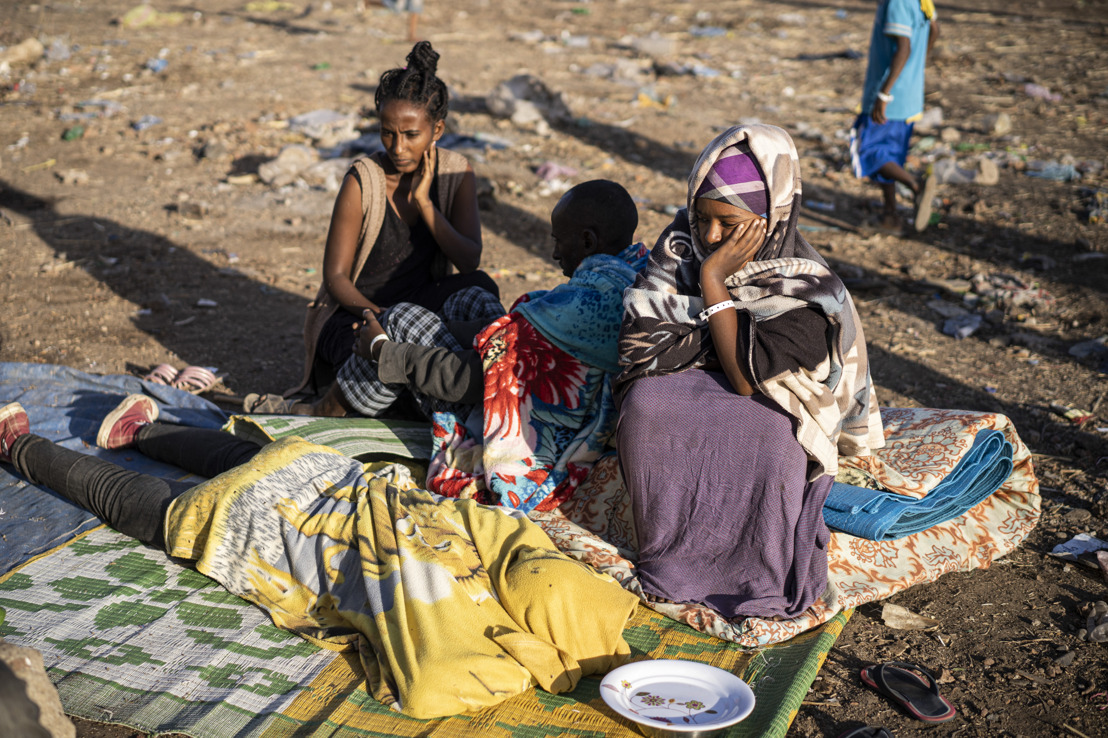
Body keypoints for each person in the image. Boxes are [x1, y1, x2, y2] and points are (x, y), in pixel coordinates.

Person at [0, 395, 639, 718]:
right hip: (265, 527)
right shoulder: (465, 649)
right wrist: (528, 666)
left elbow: (545, 570)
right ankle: (18, 446)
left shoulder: (510, 546)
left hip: (333, 481)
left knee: (245, 461)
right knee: (140, 501)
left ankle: (138, 429)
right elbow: (426, 689)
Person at [615, 124, 886, 621]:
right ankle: (669, 561)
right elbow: (638, 342)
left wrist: (713, 281)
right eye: (702, 218)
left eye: (729, 223)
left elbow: (744, 378)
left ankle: (751, 574)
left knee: (774, 430)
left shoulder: (805, 284)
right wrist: (722, 318)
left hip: (766, 387)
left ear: (770, 217)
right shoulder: (678, 247)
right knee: (646, 408)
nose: (711, 236)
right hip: (701, 376)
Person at [274, 40, 500, 414]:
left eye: (411, 135)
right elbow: (335, 278)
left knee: (480, 289)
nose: (398, 147)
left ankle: (434, 381)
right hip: (356, 315)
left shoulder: (456, 173)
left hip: (421, 307)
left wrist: (426, 205)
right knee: (396, 368)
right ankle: (344, 399)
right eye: (387, 133)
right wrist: (378, 319)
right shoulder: (363, 179)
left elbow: (469, 260)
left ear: (437, 129)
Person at [425, 180, 648, 514]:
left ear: (587, 241)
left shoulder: (590, 302)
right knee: (472, 296)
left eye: (559, 241)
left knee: (407, 322)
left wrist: (383, 349)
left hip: (536, 436)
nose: (556, 253)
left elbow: (474, 370)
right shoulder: (638, 272)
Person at [850, 0, 939, 233]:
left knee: (868, 151)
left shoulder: (897, 2)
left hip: (890, 98)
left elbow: (904, 47)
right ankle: (890, 217)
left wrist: (883, 93)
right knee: (891, 159)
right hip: (908, 96)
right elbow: (935, 30)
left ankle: (916, 186)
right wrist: (916, 68)